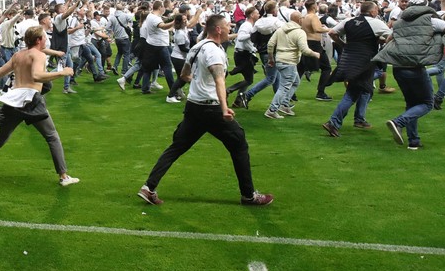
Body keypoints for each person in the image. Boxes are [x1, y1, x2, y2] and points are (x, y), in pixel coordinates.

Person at [137, 15, 273, 207]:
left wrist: (199, 84)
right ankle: (249, 195)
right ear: (218, 29)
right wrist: (225, 108)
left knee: (177, 147)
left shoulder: (197, 47)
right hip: (211, 108)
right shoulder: (214, 52)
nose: (229, 28)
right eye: (227, 26)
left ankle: (148, 188)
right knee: (239, 143)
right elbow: (219, 80)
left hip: (194, 106)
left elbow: (184, 75)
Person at [0, 25, 80, 189]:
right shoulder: (38, 54)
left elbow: (0, 72)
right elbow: (37, 76)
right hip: (31, 100)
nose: (46, 40)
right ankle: (64, 176)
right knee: (52, 137)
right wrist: (63, 73)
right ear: (38, 40)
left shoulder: (18, 55)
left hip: (14, 100)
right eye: (44, 37)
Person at [374, 0, 445, 149]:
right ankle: (398, 122)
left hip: (398, 68)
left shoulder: (400, 22)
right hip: (415, 66)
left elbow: (388, 40)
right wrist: (436, 37)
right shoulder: (430, 20)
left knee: (412, 104)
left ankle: (414, 141)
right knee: (427, 103)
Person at [322, 1, 391, 137]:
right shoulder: (375, 22)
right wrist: (381, 42)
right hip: (365, 60)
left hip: (348, 58)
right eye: (376, 10)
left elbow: (332, 33)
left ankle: (359, 119)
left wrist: (343, 44)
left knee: (366, 89)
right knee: (353, 93)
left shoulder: (349, 20)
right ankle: (333, 122)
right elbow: (391, 36)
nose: (377, 12)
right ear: (372, 11)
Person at [265, 11, 319, 119]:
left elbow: (270, 44)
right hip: (289, 62)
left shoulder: (280, 30)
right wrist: (315, 54)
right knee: (284, 87)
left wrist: (271, 58)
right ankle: (272, 109)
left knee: (295, 81)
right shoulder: (300, 32)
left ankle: (284, 104)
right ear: (299, 20)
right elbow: (304, 50)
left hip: (280, 59)